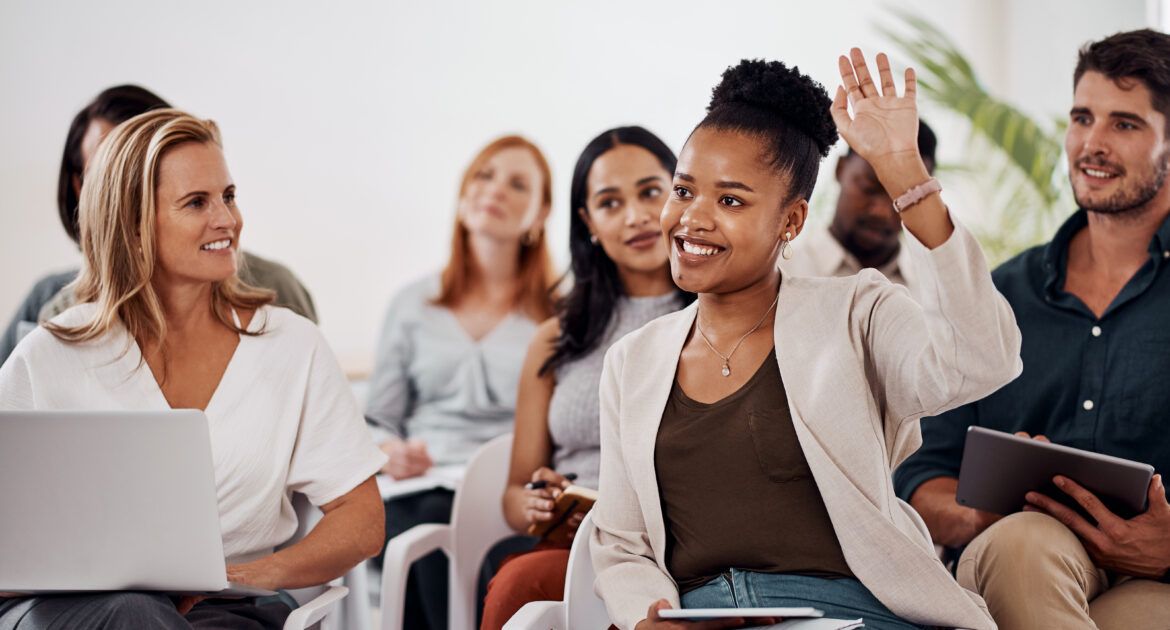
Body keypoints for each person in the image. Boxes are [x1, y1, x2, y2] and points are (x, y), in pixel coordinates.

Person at [590, 51, 1022, 630]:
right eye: (684, 190)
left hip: (853, 616)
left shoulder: (856, 312)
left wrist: (907, 178)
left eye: (731, 201)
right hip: (701, 618)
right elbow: (621, 541)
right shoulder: (632, 361)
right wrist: (652, 619)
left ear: (791, 222)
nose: (692, 218)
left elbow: (981, 361)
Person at [0, 109, 386, 629]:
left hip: (226, 609)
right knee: (133, 612)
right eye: (197, 203)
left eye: (228, 195)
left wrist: (259, 573)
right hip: (65, 611)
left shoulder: (290, 346)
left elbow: (361, 520)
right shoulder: (51, 354)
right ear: (134, 226)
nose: (227, 219)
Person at [894, 29, 1170, 630]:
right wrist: (985, 518)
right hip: (1018, 560)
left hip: (1157, 579)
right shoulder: (1000, 295)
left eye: (1125, 124)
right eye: (1081, 117)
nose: (1091, 144)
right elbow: (922, 471)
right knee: (1025, 546)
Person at [480, 126, 693, 629]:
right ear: (588, 221)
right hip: (581, 543)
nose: (636, 216)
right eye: (610, 203)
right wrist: (537, 502)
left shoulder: (721, 315)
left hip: (687, 543)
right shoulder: (555, 336)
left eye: (650, 192)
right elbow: (514, 493)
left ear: (681, 193)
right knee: (519, 582)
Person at [365, 135, 557, 629]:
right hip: (423, 486)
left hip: (511, 492)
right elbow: (375, 420)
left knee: (502, 560)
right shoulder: (411, 304)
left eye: (518, 184)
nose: (495, 190)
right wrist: (388, 449)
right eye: (484, 175)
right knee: (423, 535)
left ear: (540, 214)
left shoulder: (562, 313)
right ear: (463, 193)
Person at [0, 85, 317, 366]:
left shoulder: (279, 302)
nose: (227, 219)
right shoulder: (58, 322)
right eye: (109, 170)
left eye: (229, 196)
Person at [779, 120, 937, 287]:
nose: (881, 211)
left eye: (904, 196)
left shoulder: (934, 293)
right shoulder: (778, 274)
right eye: (868, 188)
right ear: (840, 168)